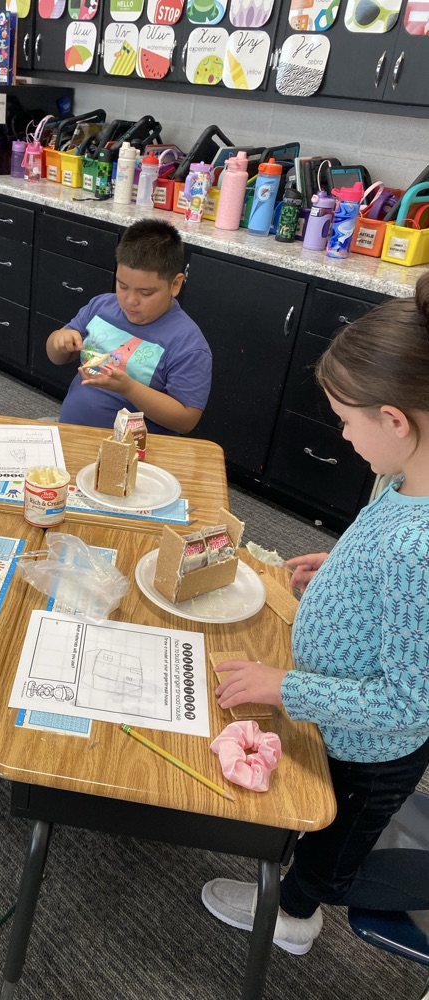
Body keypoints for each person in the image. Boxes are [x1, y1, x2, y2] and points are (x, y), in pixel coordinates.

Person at [202, 274, 429, 955]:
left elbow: (408, 699)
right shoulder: (404, 480)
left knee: (330, 847)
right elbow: (394, 581)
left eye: (347, 421)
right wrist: (342, 570)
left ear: (395, 420)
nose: (343, 433)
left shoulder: (419, 548)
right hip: (339, 716)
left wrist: (285, 688)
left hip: (369, 751)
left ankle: (296, 917)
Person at [45, 219, 211, 435]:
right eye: (122, 286)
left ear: (175, 284)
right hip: (72, 431)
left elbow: (186, 420)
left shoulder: (187, 343)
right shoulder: (101, 307)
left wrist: (129, 388)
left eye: (146, 293)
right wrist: (59, 340)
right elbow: (57, 358)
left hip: (133, 449)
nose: (131, 301)